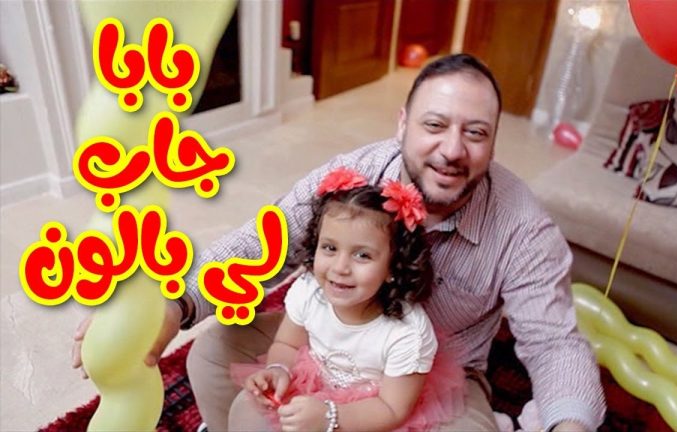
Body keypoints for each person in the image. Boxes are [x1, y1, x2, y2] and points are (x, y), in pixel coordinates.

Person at [73, 53, 606, 431]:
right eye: (435, 125)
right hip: (329, 341)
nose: (452, 150)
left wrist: (571, 425)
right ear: (403, 123)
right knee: (211, 353)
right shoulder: (350, 176)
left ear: (493, 141)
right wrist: (171, 302)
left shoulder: (524, 227)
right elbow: (262, 241)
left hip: (437, 375)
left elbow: (555, 343)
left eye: (475, 132)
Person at [228, 167, 465, 431]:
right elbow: (288, 344)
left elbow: (392, 409)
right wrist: (279, 369)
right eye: (330, 248)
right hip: (316, 385)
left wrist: (330, 417)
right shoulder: (309, 291)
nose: (340, 267)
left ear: (393, 267)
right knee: (247, 410)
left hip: (371, 411)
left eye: (362, 255)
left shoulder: (407, 334)